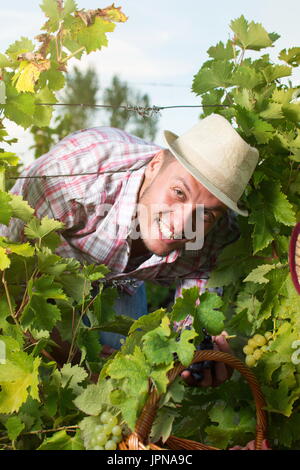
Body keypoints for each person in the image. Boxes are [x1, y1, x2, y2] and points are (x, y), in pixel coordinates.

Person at [1, 113, 259, 387]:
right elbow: (6, 262)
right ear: (155, 165)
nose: (182, 224)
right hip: (38, 274)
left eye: (206, 215)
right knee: (34, 368)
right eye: (179, 193)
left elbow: (194, 316)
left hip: (118, 283)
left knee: (123, 382)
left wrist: (194, 353)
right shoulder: (77, 174)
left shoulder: (219, 235)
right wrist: (65, 349)